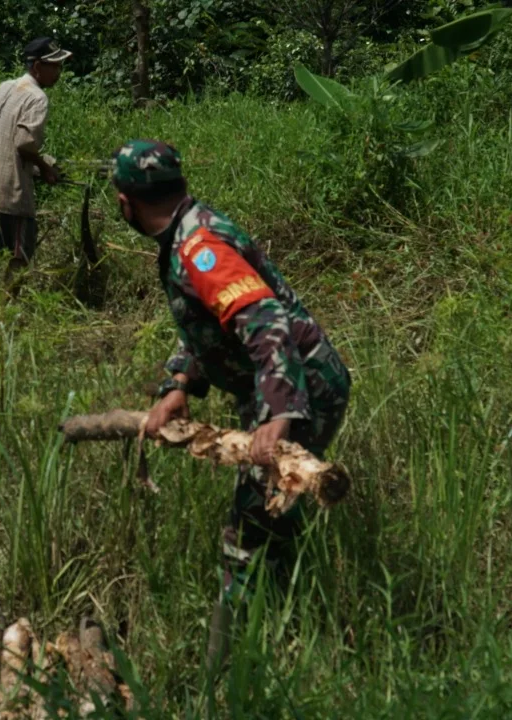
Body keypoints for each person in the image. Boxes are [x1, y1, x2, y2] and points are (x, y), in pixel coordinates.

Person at [109, 139, 352, 673]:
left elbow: (266, 323)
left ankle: (227, 670)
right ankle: (281, 616)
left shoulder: (198, 246)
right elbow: (213, 326)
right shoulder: (186, 232)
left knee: (246, 529)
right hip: (278, 386)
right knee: (271, 515)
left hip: (303, 388)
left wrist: (278, 417)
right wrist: (179, 386)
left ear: (125, 203)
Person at [0, 37, 70, 272]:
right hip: (10, 195)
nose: (58, 72)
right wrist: (45, 168)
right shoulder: (37, 98)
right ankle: (4, 303)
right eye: (54, 66)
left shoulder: (5, 87)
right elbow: (24, 144)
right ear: (37, 67)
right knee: (19, 256)